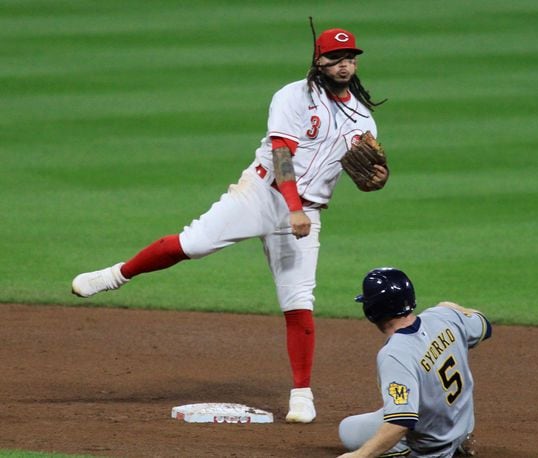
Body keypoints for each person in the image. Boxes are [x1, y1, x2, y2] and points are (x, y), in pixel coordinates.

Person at [70, 25, 388, 424]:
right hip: (261, 193)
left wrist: (377, 181)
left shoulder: (362, 117)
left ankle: (302, 394)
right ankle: (116, 275)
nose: (344, 65)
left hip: (307, 212)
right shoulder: (293, 96)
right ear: (318, 61)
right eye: (335, 58)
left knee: (299, 300)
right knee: (194, 243)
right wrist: (292, 209)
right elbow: (281, 154)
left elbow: (367, 173)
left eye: (350, 58)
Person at [337, 268, 491, 458]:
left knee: (347, 429)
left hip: (431, 447)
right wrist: (453, 308)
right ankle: (460, 440)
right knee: (398, 407)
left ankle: (412, 450)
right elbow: (484, 325)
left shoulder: (395, 354)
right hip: (462, 425)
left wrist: (358, 456)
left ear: (371, 310)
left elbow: (400, 424)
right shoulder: (444, 316)